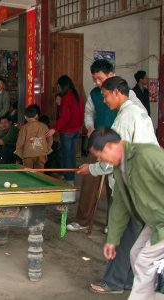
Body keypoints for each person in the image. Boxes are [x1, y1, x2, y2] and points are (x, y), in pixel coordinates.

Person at [77, 76, 158, 295]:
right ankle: (127, 280)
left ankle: (114, 282)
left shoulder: (125, 118)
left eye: (105, 96)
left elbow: (112, 156)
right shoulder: (140, 113)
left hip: (138, 188)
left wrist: (92, 169)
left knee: (124, 236)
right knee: (133, 240)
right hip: (140, 186)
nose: (104, 101)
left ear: (117, 93)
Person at [68, 60, 148, 232]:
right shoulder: (95, 93)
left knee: (116, 184)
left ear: (111, 75)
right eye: (94, 79)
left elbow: (141, 114)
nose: (97, 83)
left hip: (119, 147)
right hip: (99, 143)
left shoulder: (129, 98)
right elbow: (89, 112)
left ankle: (112, 223)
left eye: (100, 78)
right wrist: (90, 126)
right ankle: (82, 220)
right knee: (89, 178)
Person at [88, 127, 164, 300]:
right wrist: (112, 240)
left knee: (145, 261)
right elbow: (120, 205)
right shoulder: (120, 167)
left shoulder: (146, 155)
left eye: (100, 155)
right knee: (135, 254)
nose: (101, 160)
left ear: (109, 147)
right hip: (154, 221)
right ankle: (153, 293)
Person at [46, 75, 84, 185]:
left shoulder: (67, 97)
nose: (58, 89)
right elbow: (81, 114)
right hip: (76, 131)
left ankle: (69, 180)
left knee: (67, 156)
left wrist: (54, 129)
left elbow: (64, 117)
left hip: (67, 132)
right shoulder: (78, 96)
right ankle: (71, 177)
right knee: (71, 155)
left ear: (63, 86)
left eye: (59, 87)